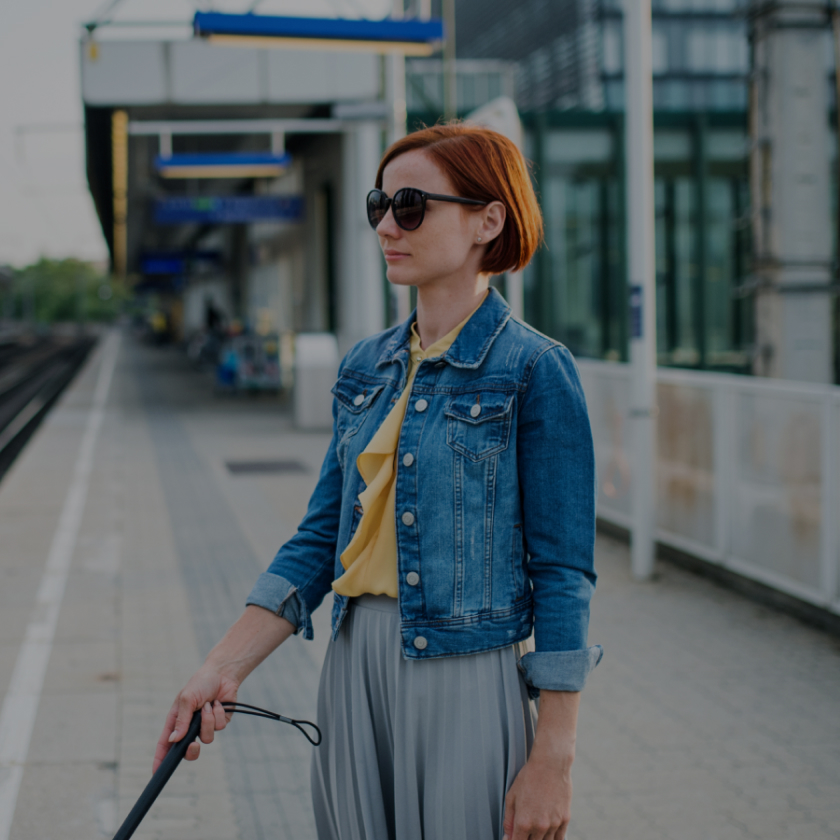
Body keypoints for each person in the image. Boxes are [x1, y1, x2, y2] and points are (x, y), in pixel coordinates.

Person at [155, 124, 602, 840]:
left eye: (412, 205)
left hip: (467, 670)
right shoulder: (367, 366)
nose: (387, 225)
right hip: (353, 665)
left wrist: (554, 755)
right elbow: (316, 544)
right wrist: (221, 667)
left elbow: (563, 573)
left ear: (489, 219)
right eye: (379, 205)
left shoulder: (533, 370)